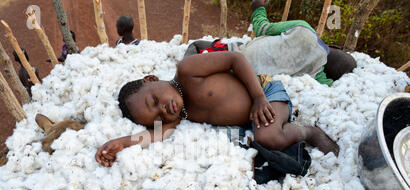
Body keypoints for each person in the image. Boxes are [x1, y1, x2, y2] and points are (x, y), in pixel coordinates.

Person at [95, 51, 339, 167]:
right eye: (157, 115)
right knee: (259, 139)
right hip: (251, 118)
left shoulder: (188, 70)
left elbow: (237, 59)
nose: (164, 110)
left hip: (267, 95)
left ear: (151, 79)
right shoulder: (179, 114)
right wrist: (121, 142)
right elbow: (158, 133)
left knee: (268, 137)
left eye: (154, 100)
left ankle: (308, 132)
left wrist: (258, 97)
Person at [184, 0, 357, 86]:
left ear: (331, 48)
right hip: (245, 78)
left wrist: (258, 7)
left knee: (197, 46)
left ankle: (181, 76)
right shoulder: (317, 76)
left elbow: (261, 28)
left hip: (235, 53)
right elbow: (328, 87)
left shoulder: (305, 29)